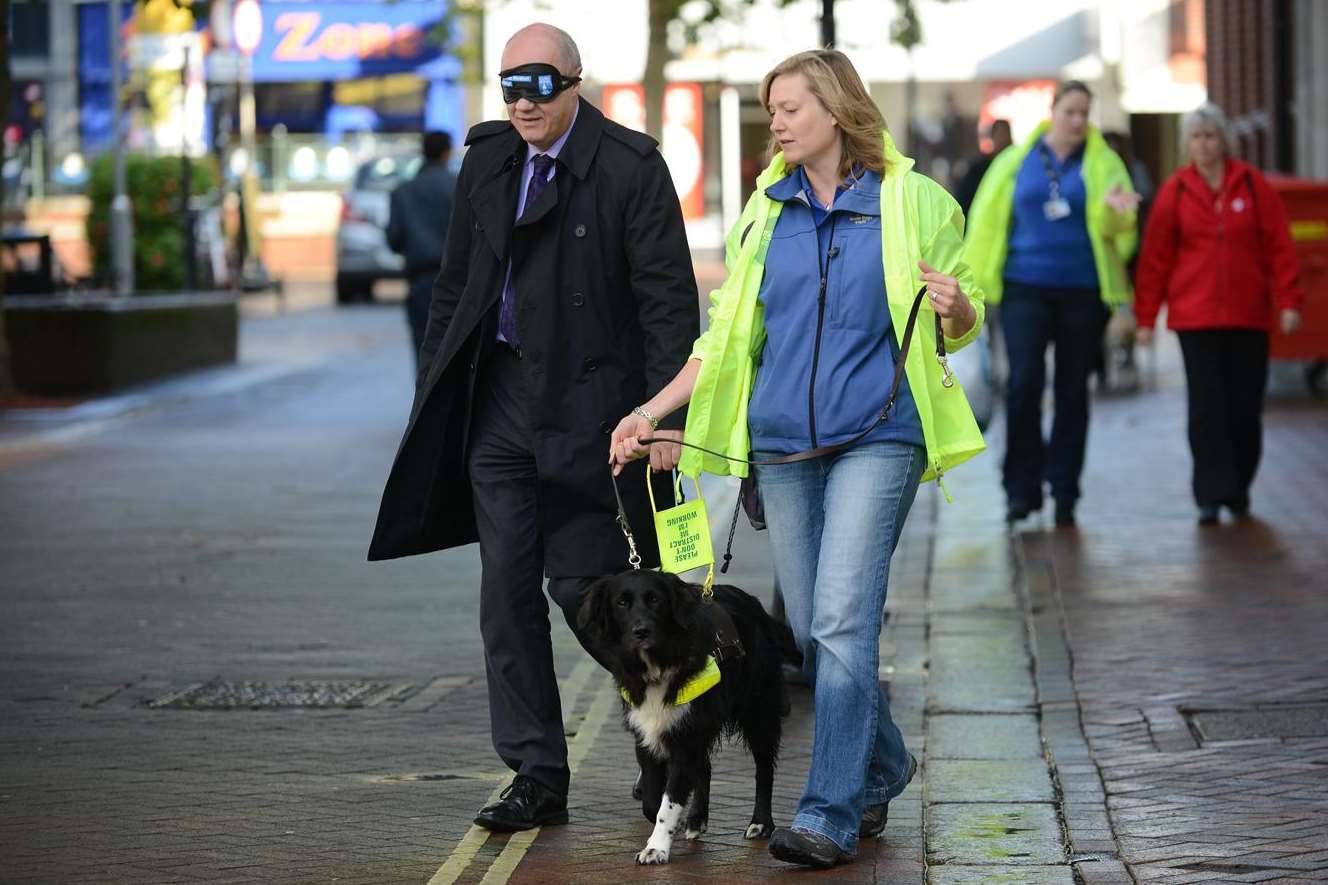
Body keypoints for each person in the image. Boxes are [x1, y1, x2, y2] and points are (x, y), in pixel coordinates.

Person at [610, 49, 986, 869]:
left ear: (838, 108)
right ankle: (881, 763)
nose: (774, 121)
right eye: (770, 108)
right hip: (781, 449)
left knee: (845, 619)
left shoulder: (913, 202)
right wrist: (649, 411)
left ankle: (827, 811)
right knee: (816, 636)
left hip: (879, 436)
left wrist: (958, 311)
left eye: (787, 107)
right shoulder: (763, 214)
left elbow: (961, 309)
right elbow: (725, 340)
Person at [366, 23, 699, 832]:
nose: (523, 100)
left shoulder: (630, 166)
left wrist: (666, 418)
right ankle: (536, 772)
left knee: (590, 589)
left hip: (600, 413)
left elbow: (667, 302)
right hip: (503, 407)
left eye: (539, 83)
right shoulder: (487, 158)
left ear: (575, 82)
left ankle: (673, 738)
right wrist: (434, 384)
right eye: (510, 84)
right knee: (505, 594)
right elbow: (456, 285)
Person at [965, 80, 1140, 527]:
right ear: (1054, 110)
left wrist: (1118, 213)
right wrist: (972, 285)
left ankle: (1064, 490)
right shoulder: (1015, 160)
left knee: (1071, 390)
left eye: (1085, 113)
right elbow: (985, 222)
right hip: (1024, 287)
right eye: (1071, 112)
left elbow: (1123, 233)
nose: (1078, 121)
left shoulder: (1104, 163)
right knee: (1023, 383)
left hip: (1082, 290)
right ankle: (1020, 489)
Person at [1133, 102, 1304, 525]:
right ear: (1187, 144)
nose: (1204, 145)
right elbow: (1155, 260)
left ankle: (1240, 485)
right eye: (1196, 137)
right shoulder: (1174, 192)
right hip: (1196, 318)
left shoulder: (1252, 185)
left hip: (1248, 316)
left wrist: (1289, 301)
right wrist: (1144, 318)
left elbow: (1280, 246)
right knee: (1207, 409)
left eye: (1210, 136)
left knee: (1245, 407)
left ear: (1223, 140)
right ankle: (1210, 493)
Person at [386, 131, 456, 364]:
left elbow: (394, 239)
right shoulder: (460, 185)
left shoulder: (403, 192)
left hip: (420, 281)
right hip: (459, 283)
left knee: (424, 353)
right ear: (447, 153)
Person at [954, 118, 1012, 216]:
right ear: (993, 138)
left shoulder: (1019, 166)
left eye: (1006, 136)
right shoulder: (978, 170)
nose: (1003, 140)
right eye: (1000, 135)